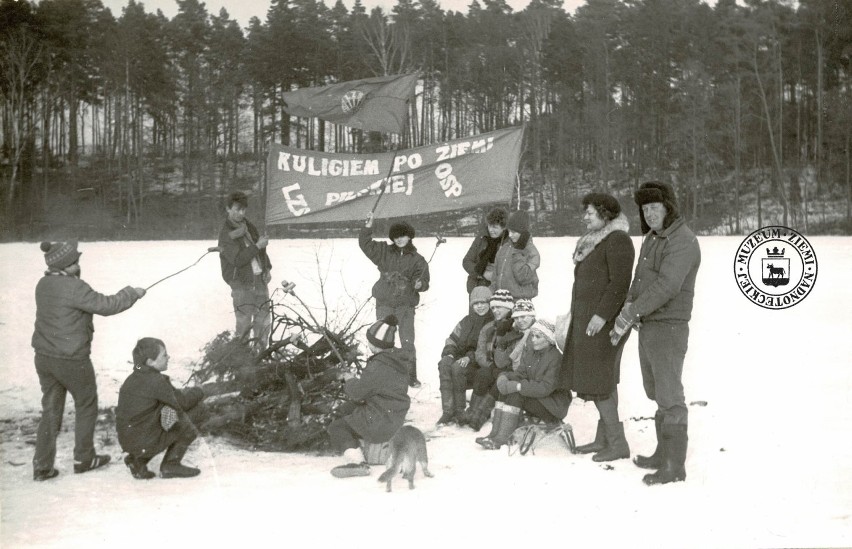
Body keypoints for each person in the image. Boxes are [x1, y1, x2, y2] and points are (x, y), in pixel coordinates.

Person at [610, 181, 701, 485]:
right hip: (648, 324)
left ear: (668, 207)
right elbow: (640, 281)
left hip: (670, 326)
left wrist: (632, 312)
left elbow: (667, 285)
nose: (649, 213)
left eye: (654, 207)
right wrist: (629, 306)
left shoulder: (683, 240)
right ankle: (663, 453)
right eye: (644, 208)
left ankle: (675, 467)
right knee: (656, 390)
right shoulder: (651, 238)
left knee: (669, 393)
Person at [31, 241, 146, 481]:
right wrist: (132, 293)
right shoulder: (74, 288)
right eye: (74, 262)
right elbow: (107, 305)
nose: (78, 265)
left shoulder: (43, 284)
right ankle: (84, 458)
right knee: (86, 404)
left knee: (51, 410)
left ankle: (42, 466)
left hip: (44, 358)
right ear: (65, 265)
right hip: (72, 360)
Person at [562, 193, 635, 462]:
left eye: (590, 213)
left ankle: (617, 444)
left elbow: (619, 284)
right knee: (602, 379)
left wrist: (601, 316)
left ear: (605, 215)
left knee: (600, 380)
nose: (585, 217)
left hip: (604, 324)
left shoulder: (618, 240)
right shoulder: (597, 241)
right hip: (589, 321)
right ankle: (604, 439)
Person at [327, 315, 411, 477]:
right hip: (395, 417)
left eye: (370, 341)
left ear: (376, 344)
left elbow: (357, 393)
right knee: (348, 408)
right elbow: (378, 388)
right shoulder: (396, 362)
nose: (368, 344)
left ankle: (358, 463)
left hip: (380, 420)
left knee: (337, 427)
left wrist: (349, 380)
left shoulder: (378, 365)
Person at [116, 338, 206, 479]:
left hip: (129, 439)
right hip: (142, 439)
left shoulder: (135, 376)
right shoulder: (156, 381)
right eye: (164, 355)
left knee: (168, 412)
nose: (168, 357)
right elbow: (183, 403)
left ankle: (138, 460)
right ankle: (171, 464)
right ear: (150, 362)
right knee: (198, 411)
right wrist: (199, 391)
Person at [359, 213, 430, 388]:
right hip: (384, 303)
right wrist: (367, 228)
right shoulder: (384, 251)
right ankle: (382, 374)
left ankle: (410, 375)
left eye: (403, 236)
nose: (399, 239)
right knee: (381, 340)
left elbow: (425, 282)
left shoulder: (418, 260)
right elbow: (365, 244)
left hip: (405, 305)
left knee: (407, 341)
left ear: (409, 236)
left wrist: (420, 284)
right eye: (396, 236)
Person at [476, 318, 571, 450]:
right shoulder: (532, 352)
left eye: (538, 337)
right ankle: (494, 434)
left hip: (553, 405)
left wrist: (519, 386)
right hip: (538, 398)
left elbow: (545, 388)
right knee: (505, 391)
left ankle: (501, 439)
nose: (533, 340)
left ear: (548, 339)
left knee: (516, 394)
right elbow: (521, 373)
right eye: (532, 335)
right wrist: (505, 377)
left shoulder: (556, 358)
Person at [218, 191, 273, 349]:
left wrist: (267, 268)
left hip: (259, 281)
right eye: (237, 209)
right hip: (241, 284)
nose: (241, 213)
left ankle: (261, 356)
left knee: (263, 323)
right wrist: (257, 246)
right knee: (243, 326)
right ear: (228, 209)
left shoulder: (249, 226)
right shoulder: (225, 234)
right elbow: (237, 260)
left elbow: (262, 252)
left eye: (243, 210)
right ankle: (243, 363)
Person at [436, 285, 494, 425]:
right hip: (460, 360)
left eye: (483, 303)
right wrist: (449, 353)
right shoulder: (466, 321)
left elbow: (486, 350)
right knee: (444, 363)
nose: (479, 307)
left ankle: (460, 411)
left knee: (457, 367)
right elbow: (452, 339)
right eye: (476, 303)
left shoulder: (492, 323)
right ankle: (448, 411)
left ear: (489, 303)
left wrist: (469, 357)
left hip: (478, 366)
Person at [490, 209, 540, 299]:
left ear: (523, 233)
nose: (510, 235)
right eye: (509, 231)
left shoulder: (532, 252)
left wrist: (518, 250)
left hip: (521, 302)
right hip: (501, 301)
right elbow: (495, 277)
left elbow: (522, 277)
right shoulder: (504, 249)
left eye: (514, 232)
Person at [462, 207, 508, 293]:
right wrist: (482, 273)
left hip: (500, 290)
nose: (491, 230)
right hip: (478, 286)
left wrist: (496, 276)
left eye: (495, 227)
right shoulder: (481, 238)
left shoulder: (509, 242)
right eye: (490, 226)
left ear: (503, 228)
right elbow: (467, 261)